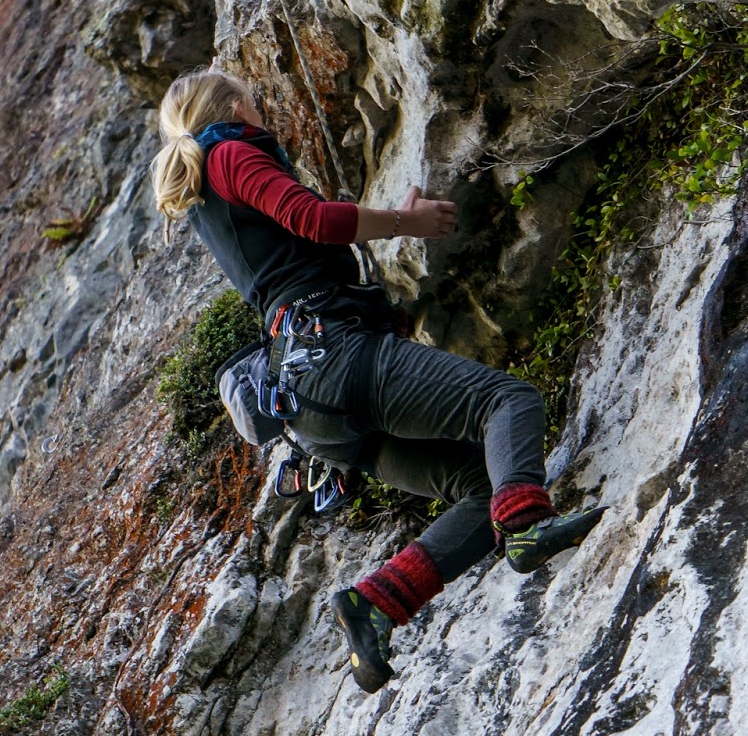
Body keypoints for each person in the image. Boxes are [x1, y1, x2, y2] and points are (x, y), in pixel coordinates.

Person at [151, 67, 606, 694]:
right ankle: (526, 529)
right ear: (232, 106)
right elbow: (311, 218)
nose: (259, 111)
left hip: (310, 410)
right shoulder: (228, 153)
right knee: (506, 400)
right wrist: (404, 221)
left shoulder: (204, 192)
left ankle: (374, 605)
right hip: (334, 354)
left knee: (480, 487)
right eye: (253, 101)